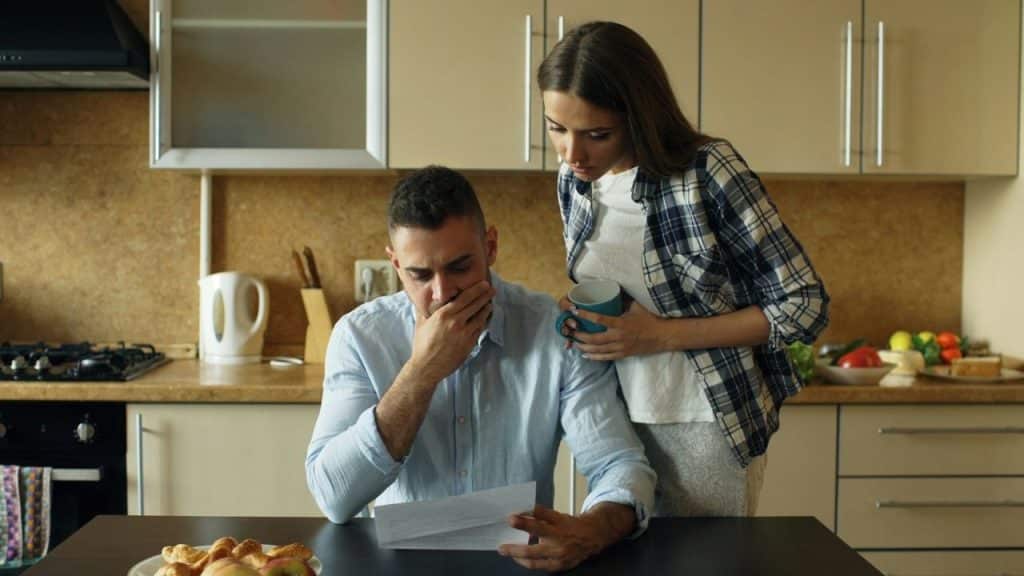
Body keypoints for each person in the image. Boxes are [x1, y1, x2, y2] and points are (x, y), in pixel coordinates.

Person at [538, 21, 830, 517]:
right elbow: (621, 290)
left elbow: (804, 306)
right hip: (613, 420)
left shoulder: (707, 171)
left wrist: (661, 336)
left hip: (703, 421)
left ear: (639, 116)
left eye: (597, 134)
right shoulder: (574, 182)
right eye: (556, 128)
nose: (572, 153)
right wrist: (586, 312)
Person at [305, 165, 656, 572]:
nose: (443, 293)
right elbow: (334, 497)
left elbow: (620, 465)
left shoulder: (553, 331)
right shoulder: (359, 337)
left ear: (490, 247)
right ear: (396, 264)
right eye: (420, 274)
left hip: (519, 564)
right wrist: (422, 372)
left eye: (459, 267)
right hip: (397, 565)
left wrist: (593, 529)